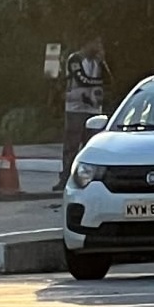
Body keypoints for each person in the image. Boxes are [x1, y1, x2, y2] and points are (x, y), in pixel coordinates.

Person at [54, 35, 111, 191]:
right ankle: (65, 178)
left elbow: (109, 79)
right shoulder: (75, 59)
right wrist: (99, 83)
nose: (99, 47)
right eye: (96, 43)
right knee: (71, 145)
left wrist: (103, 62)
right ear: (87, 43)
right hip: (76, 107)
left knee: (92, 145)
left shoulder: (97, 62)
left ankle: (89, 179)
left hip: (94, 108)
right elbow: (82, 79)